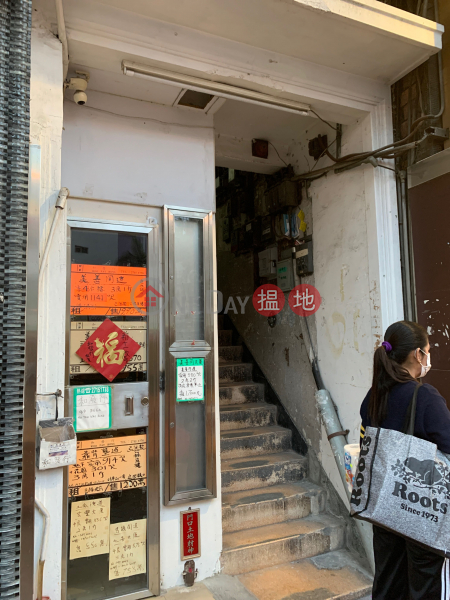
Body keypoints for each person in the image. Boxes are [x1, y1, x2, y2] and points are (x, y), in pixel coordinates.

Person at [360, 320, 450, 600]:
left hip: (385, 510)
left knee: (389, 583)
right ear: (417, 355)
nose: (428, 357)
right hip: (423, 511)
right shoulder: (424, 397)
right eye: (427, 350)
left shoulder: (373, 397)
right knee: (426, 587)